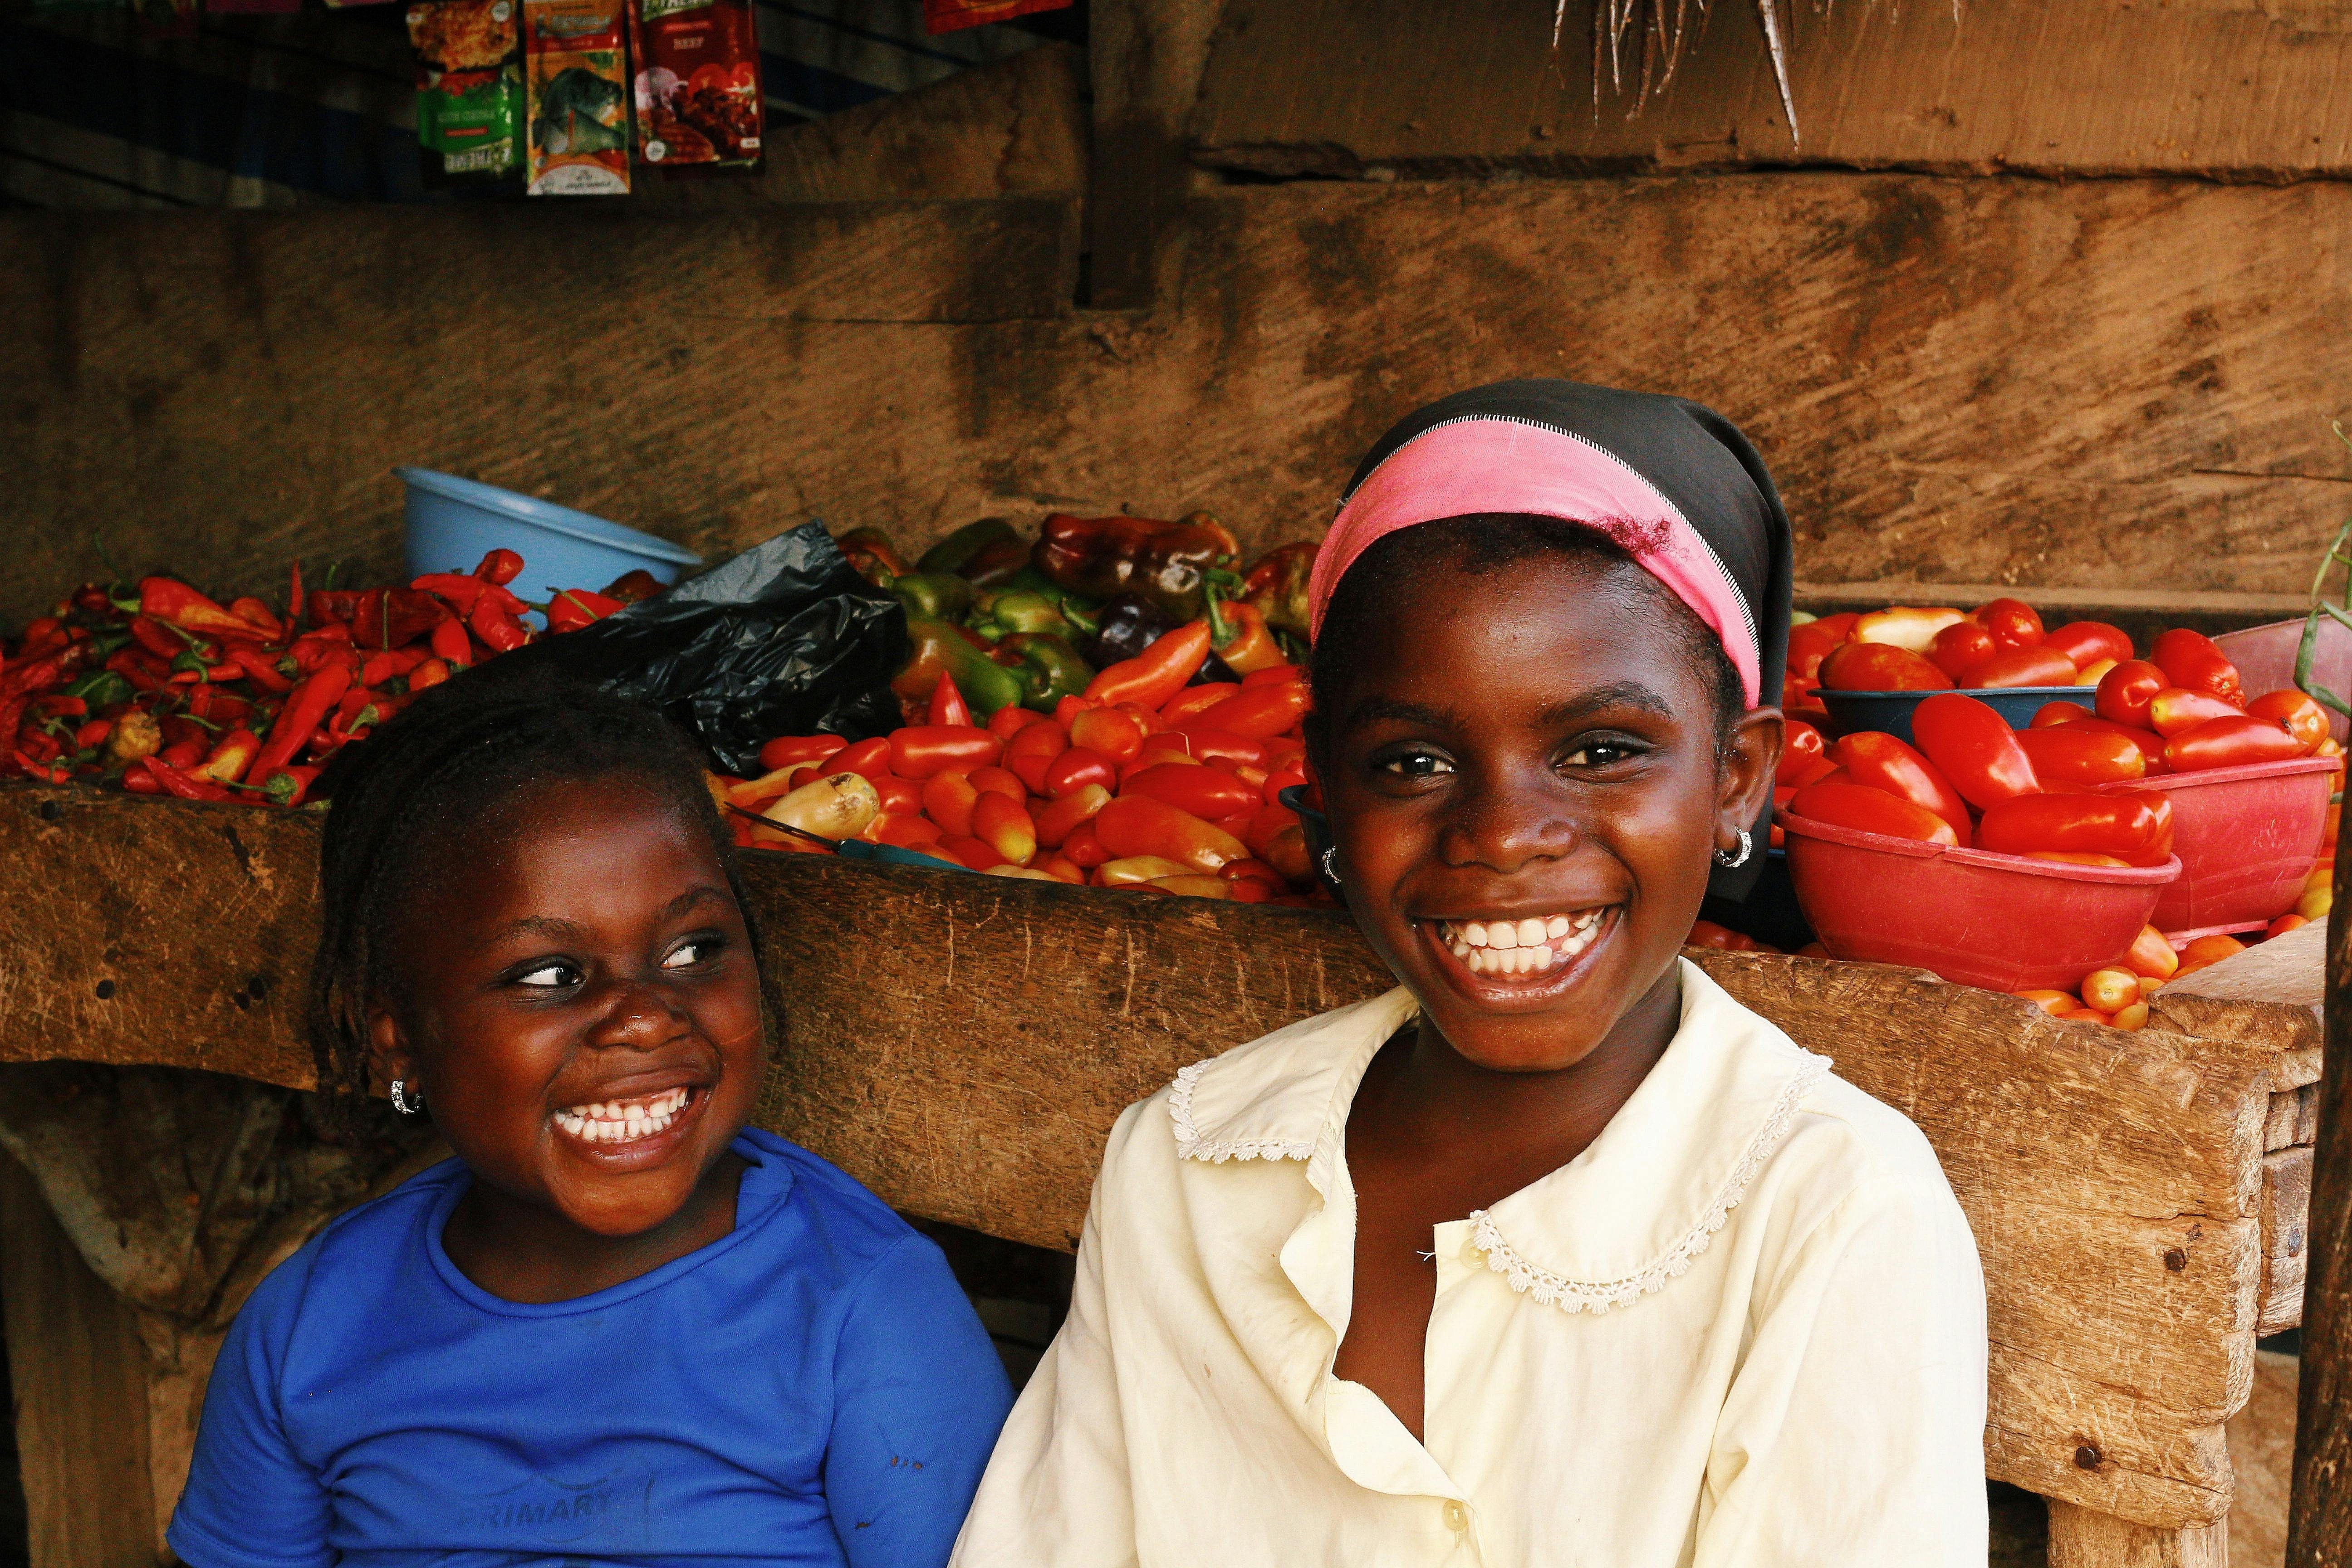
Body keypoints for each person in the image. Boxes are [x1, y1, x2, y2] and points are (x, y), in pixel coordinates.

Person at [950, 380, 1988, 1566]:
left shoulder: (1831, 1213)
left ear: (1739, 779)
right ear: (1326, 790)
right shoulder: (1185, 1171)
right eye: (1413, 759)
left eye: (1599, 750)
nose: (1501, 832)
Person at [168, 676, 1012, 1568]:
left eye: (693, 951)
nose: (645, 1018)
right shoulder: (312, 1326)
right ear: (398, 1041)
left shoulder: (865, 1311)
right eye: (549, 975)